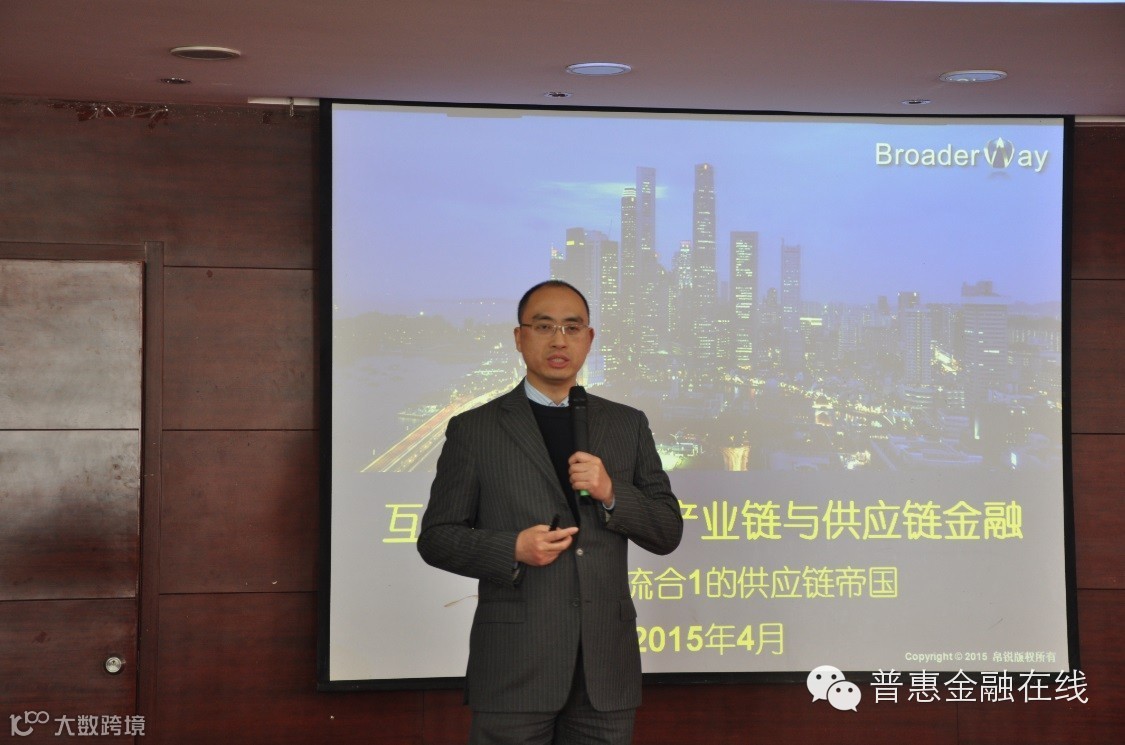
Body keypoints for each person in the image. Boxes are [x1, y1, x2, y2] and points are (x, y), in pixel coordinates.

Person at [418, 280, 683, 745]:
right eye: (543, 327)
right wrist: (512, 548)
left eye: (571, 327)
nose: (559, 340)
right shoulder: (474, 430)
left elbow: (667, 531)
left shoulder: (627, 424)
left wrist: (611, 492)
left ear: (589, 338)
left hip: (605, 671)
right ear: (519, 337)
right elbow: (437, 537)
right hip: (514, 667)